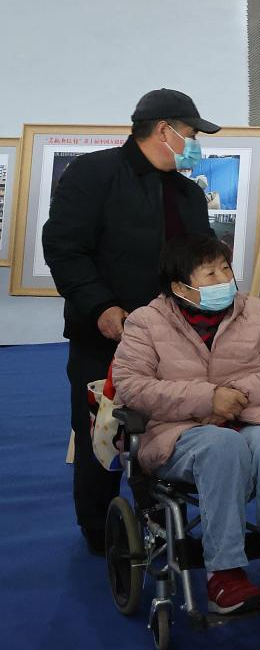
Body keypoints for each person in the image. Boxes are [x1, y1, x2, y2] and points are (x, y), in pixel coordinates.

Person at [42, 89, 219, 556]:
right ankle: (99, 532)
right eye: (192, 133)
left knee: (164, 428)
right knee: (101, 432)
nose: (196, 144)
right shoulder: (94, 174)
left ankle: (159, 519)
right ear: (164, 130)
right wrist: (100, 306)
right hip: (105, 337)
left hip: (175, 341)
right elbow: (64, 247)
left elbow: (199, 262)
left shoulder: (188, 193)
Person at [113, 235, 260, 614]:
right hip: (177, 433)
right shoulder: (146, 322)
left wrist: (233, 396)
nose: (224, 279)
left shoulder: (254, 312)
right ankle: (224, 573)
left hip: (252, 419)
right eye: (210, 273)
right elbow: (132, 386)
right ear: (180, 287)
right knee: (222, 447)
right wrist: (206, 399)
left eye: (225, 268)